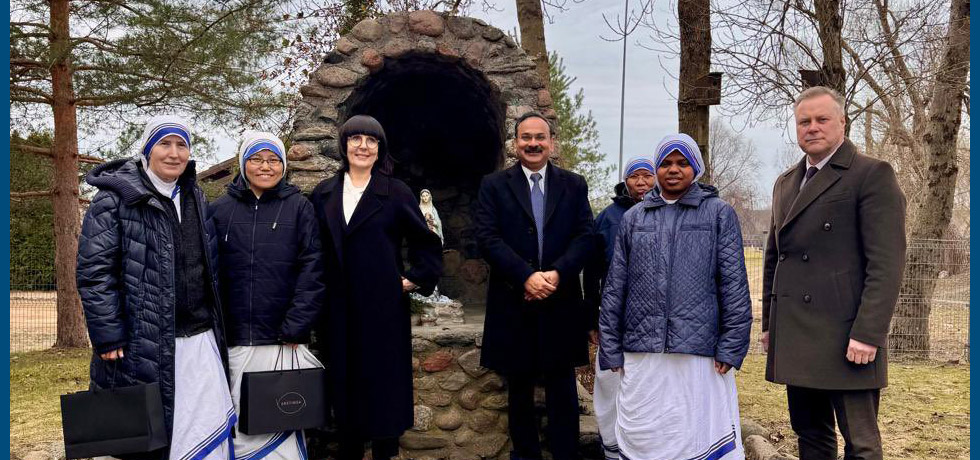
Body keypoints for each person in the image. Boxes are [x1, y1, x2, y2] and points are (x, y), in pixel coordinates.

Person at [77, 115, 235, 460]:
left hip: (199, 339)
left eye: (182, 145)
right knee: (150, 439)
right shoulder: (113, 200)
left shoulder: (195, 196)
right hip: (142, 341)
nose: (174, 153)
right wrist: (108, 334)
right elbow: (94, 272)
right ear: (147, 150)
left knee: (203, 432)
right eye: (164, 144)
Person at [761, 86, 906, 460]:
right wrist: (769, 324)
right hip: (796, 332)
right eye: (803, 121)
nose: (812, 128)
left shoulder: (871, 174)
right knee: (811, 436)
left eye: (822, 119)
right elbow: (775, 258)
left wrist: (868, 333)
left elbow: (886, 264)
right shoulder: (785, 183)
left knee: (861, 444)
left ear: (842, 122)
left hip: (849, 337)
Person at [598, 133, 752, 460]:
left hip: (699, 353)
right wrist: (610, 347)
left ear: (695, 167)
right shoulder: (634, 218)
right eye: (666, 163)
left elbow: (734, 285)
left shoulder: (719, 214)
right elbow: (615, 288)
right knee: (646, 434)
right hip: (642, 351)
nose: (673, 170)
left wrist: (732, 343)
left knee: (695, 432)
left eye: (682, 163)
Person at [308, 115, 443, 460]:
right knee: (345, 394)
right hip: (337, 311)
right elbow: (311, 250)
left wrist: (412, 279)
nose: (363, 146)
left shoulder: (395, 192)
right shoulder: (323, 193)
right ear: (344, 145)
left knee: (383, 396)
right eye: (356, 139)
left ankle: (385, 454)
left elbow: (427, 244)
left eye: (371, 140)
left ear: (380, 149)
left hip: (382, 311)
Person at [473, 111, 595, 460]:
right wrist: (525, 276)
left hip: (561, 303)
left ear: (551, 143)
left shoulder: (574, 184)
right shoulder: (493, 185)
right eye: (526, 137)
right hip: (515, 303)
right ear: (515, 143)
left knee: (562, 390)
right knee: (520, 390)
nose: (533, 144)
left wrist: (556, 274)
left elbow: (585, 236)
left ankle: (566, 454)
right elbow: (487, 238)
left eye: (540, 137)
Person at [209, 131, 326, 459]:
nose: (265, 166)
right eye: (257, 159)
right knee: (239, 421)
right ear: (243, 164)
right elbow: (209, 275)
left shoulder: (300, 208)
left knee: (280, 424)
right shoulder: (219, 210)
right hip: (234, 341)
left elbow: (313, 270)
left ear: (284, 166)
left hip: (282, 340)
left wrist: (296, 324)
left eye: (274, 160)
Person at [581, 155, 655, 460]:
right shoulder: (609, 218)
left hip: (652, 318)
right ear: (625, 180)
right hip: (615, 316)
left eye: (646, 176)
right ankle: (611, 446)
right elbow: (593, 272)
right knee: (610, 381)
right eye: (634, 176)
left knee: (647, 385)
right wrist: (592, 319)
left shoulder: (663, 212)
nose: (641, 182)